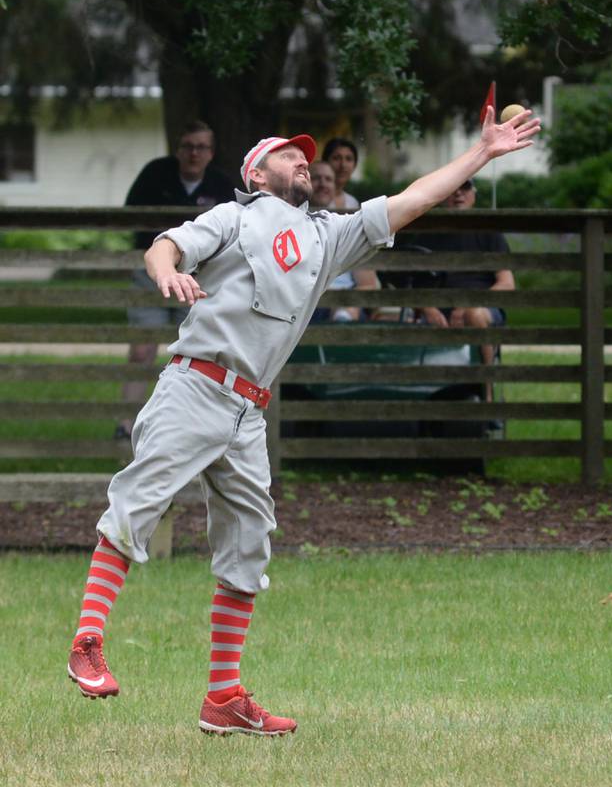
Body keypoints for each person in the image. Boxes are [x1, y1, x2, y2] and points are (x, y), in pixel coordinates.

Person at [66, 108, 542, 737]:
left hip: (247, 412)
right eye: (288, 155)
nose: (303, 161)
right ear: (256, 173)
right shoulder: (236, 216)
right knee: (138, 506)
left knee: (248, 547)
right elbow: (166, 245)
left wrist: (482, 153)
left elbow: (408, 201)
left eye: (305, 155)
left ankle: (223, 698)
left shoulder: (329, 235)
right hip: (196, 385)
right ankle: (88, 639)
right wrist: (167, 273)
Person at [117, 120, 235, 438]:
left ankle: (186, 428)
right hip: (150, 274)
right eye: (187, 146)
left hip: (199, 279)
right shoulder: (155, 174)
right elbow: (130, 218)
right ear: (178, 149)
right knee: (142, 349)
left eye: (201, 147)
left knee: (196, 352)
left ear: (211, 152)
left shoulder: (222, 185)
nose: (193, 153)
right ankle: (126, 423)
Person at [411, 178, 514, 367]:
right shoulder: (426, 234)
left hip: (482, 307)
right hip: (438, 310)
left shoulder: (489, 231)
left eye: (465, 187)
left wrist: (469, 305)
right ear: (442, 196)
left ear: (473, 194)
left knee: (475, 315)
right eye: (451, 187)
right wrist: (428, 309)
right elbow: (416, 285)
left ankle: (486, 390)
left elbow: (507, 283)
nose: (458, 193)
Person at [309, 158, 378, 322]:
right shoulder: (289, 222)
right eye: (316, 178)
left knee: (344, 316)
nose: (323, 184)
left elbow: (367, 284)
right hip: (302, 303)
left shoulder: (347, 225)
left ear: (335, 188)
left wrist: (350, 306)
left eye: (328, 179)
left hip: (340, 304)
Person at [322, 137, 360, 211]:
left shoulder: (353, 203)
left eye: (348, 159)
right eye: (336, 158)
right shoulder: (314, 199)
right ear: (325, 162)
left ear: (355, 165)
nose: (343, 165)